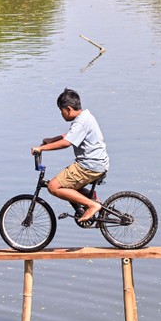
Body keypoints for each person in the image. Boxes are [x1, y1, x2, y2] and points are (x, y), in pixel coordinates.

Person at [31, 88, 109, 222]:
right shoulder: (85, 117)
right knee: (67, 184)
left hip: (89, 165)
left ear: (68, 109)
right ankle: (93, 199)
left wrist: (41, 149)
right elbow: (70, 135)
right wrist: (52, 139)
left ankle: (92, 204)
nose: (61, 115)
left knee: (53, 186)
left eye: (61, 111)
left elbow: (66, 143)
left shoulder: (81, 122)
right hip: (97, 163)